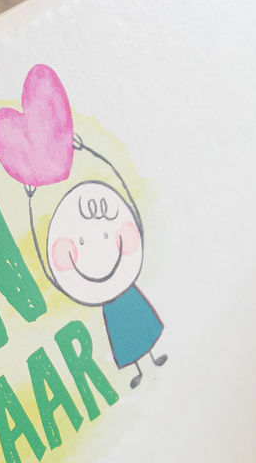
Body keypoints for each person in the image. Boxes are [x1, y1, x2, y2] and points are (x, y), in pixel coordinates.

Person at [30, 138, 167, 387]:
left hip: (128, 296)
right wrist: (31, 201)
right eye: (81, 242)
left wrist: (85, 150)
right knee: (125, 337)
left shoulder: (125, 265)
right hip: (113, 308)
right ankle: (138, 368)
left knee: (141, 324)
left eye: (105, 235)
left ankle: (152, 357)